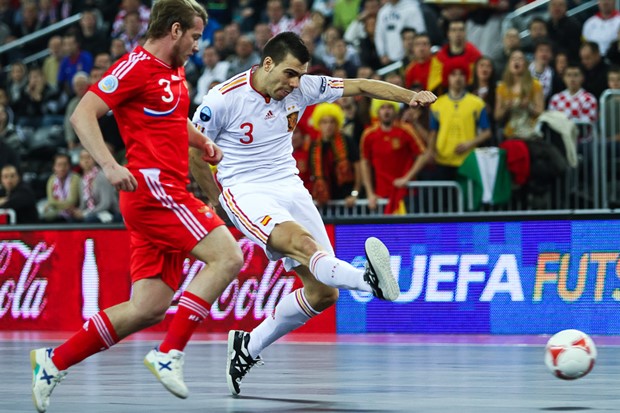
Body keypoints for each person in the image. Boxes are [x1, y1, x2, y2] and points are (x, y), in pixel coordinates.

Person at [189, 31, 436, 395]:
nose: (294, 84)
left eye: (300, 75)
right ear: (267, 63)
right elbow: (194, 152)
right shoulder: (222, 99)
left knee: (323, 294)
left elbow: (363, 86)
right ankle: (368, 281)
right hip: (245, 189)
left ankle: (248, 346)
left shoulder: (304, 86)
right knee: (302, 244)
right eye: (289, 74)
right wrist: (219, 201)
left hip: (290, 185)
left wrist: (410, 96)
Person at [30, 1, 244, 412]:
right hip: (154, 190)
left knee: (148, 307)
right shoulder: (135, 67)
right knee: (228, 256)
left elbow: (170, 117)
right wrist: (108, 165)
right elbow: (82, 114)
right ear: (176, 30)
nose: (199, 45)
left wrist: (201, 141)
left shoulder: (173, 70)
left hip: (162, 192)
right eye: (196, 36)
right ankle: (170, 353)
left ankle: (53, 362)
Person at [41, 152, 80, 222]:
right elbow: (51, 201)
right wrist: (53, 204)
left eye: (65, 164)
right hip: (57, 213)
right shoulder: (51, 180)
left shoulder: (75, 178)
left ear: (69, 166)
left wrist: (53, 204)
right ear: (54, 167)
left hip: (73, 214)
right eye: (59, 165)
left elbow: (72, 201)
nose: (62, 168)